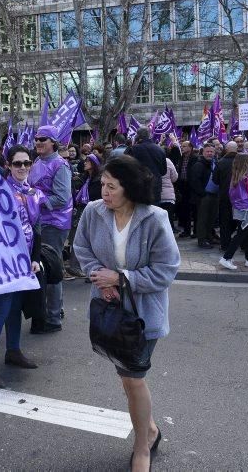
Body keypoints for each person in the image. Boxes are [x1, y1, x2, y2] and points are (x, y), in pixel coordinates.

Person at [73, 155, 180, 472]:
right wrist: (99, 277)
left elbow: (166, 271)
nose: (103, 191)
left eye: (111, 186)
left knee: (133, 380)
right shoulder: (94, 212)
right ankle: (150, 429)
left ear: (129, 188)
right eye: (102, 184)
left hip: (143, 315)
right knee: (127, 378)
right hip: (108, 310)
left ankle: (142, 447)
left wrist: (121, 279)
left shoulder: (154, 219)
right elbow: (82, 250)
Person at [0, 145, 43, 388]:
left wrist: (35, 258)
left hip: (23, 261)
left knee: (15, 307)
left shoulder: (33, 192)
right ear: (8, 165)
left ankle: (13, 351)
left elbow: (37, 228)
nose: (23, 167)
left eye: (27, 163)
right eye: (17, 163)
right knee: (0, 310)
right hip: (0, 263)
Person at [28, 125, 72, 334]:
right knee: (43, 269)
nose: (38, 142)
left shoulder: (60, 165)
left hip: (54, 223)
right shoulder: (37, 161)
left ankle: (53, 318)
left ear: (53, 142)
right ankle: (54, 310)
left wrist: (36, 200)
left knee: (52, 268)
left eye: (42, 139)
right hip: (40, 222)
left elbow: (62, 198)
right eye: (36, 139)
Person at [218, 154, 248, 270]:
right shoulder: (247, 177)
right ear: (246, 163)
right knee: (241, 234)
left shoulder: (236, 176)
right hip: (247, 208)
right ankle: (226, 258)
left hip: (238, 207)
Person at [67, 153, 103, 278]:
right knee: (78, 238)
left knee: (91, 241)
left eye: (88, 160)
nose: (85, 162)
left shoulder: (99, 181)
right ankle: (77, 266)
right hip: (81, 212)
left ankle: (91, 269)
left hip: (95, 214)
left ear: (94, 164)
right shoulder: (85, 178)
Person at [127, 127, 166, 205]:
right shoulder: (160, 149)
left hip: (139, 188)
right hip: (156, 189)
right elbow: (163, 171)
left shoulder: (133, 149)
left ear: (137, 136)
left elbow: (125, 169)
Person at [190, 144, 218, 248]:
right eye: (207, 151)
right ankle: (202, 240)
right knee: (203, 219)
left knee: (211, 218)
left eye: (211, 151)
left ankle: (209, 237)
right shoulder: (199, 165)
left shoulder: (214, 163)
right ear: (203, 152)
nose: (210, 153)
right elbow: (194, 181)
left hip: (214, 195)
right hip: (203, 197)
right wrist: (202, 193)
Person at [212, 141, 238, 250]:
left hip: (225, 196)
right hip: (240, 197)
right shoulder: (242, 161)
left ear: (226, 149)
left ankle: (225, 244)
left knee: (225, 220)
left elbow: (215, 180)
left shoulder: (221, 162)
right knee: (238, 219)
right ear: (236, 149)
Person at [175, 141, 195, 238]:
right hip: (182, 185)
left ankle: (195, 231)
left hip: (191, 186)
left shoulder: (195, 158)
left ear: (190, 147)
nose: (182, 148)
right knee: (184, 209)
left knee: (194, 209)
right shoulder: (181, 158)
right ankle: (186, 230)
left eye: (184, 146)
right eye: (182, 146)